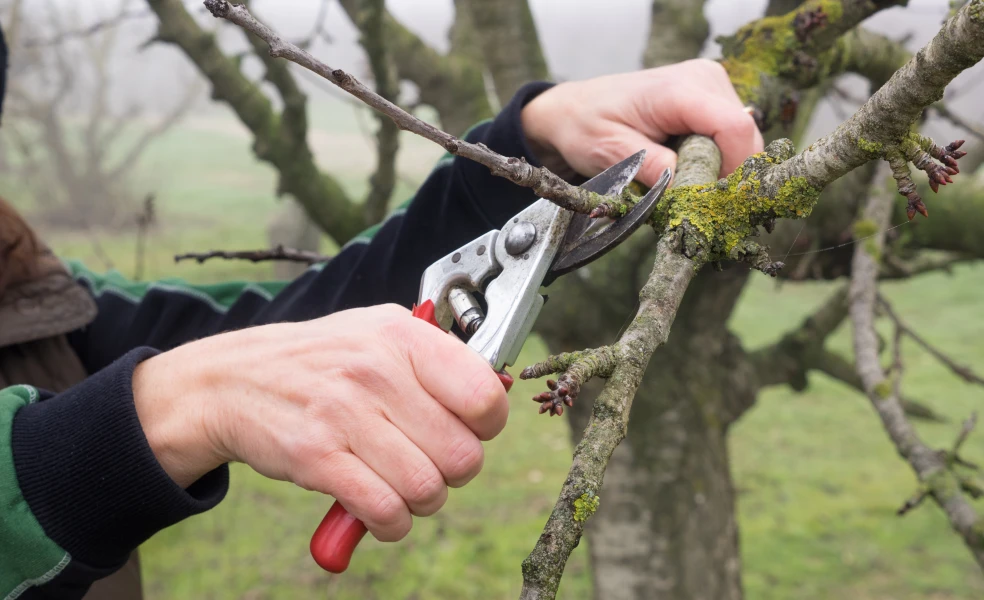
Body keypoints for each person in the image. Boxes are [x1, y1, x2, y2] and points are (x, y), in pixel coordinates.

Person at [0, 32, 763, 598]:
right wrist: (168, 408)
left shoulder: (41, 303)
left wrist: (527, 154)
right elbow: (221, 370)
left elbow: (296, 325)